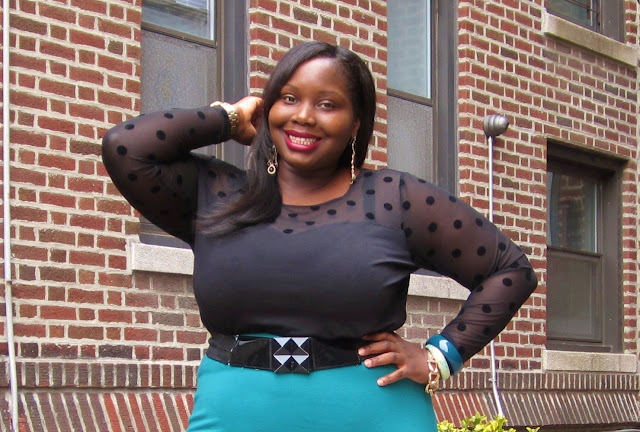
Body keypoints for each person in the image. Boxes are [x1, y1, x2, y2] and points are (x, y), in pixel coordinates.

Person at [102, 42, 537, 432]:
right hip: (236, 414)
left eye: (327, 104)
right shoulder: (218, 194)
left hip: (375, 414)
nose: (304, 116)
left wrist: (440, 356)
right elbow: (126, 147)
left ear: (355, 122)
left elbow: (510, 269)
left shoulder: (395, 199)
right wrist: (229, 119)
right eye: (289, 98)